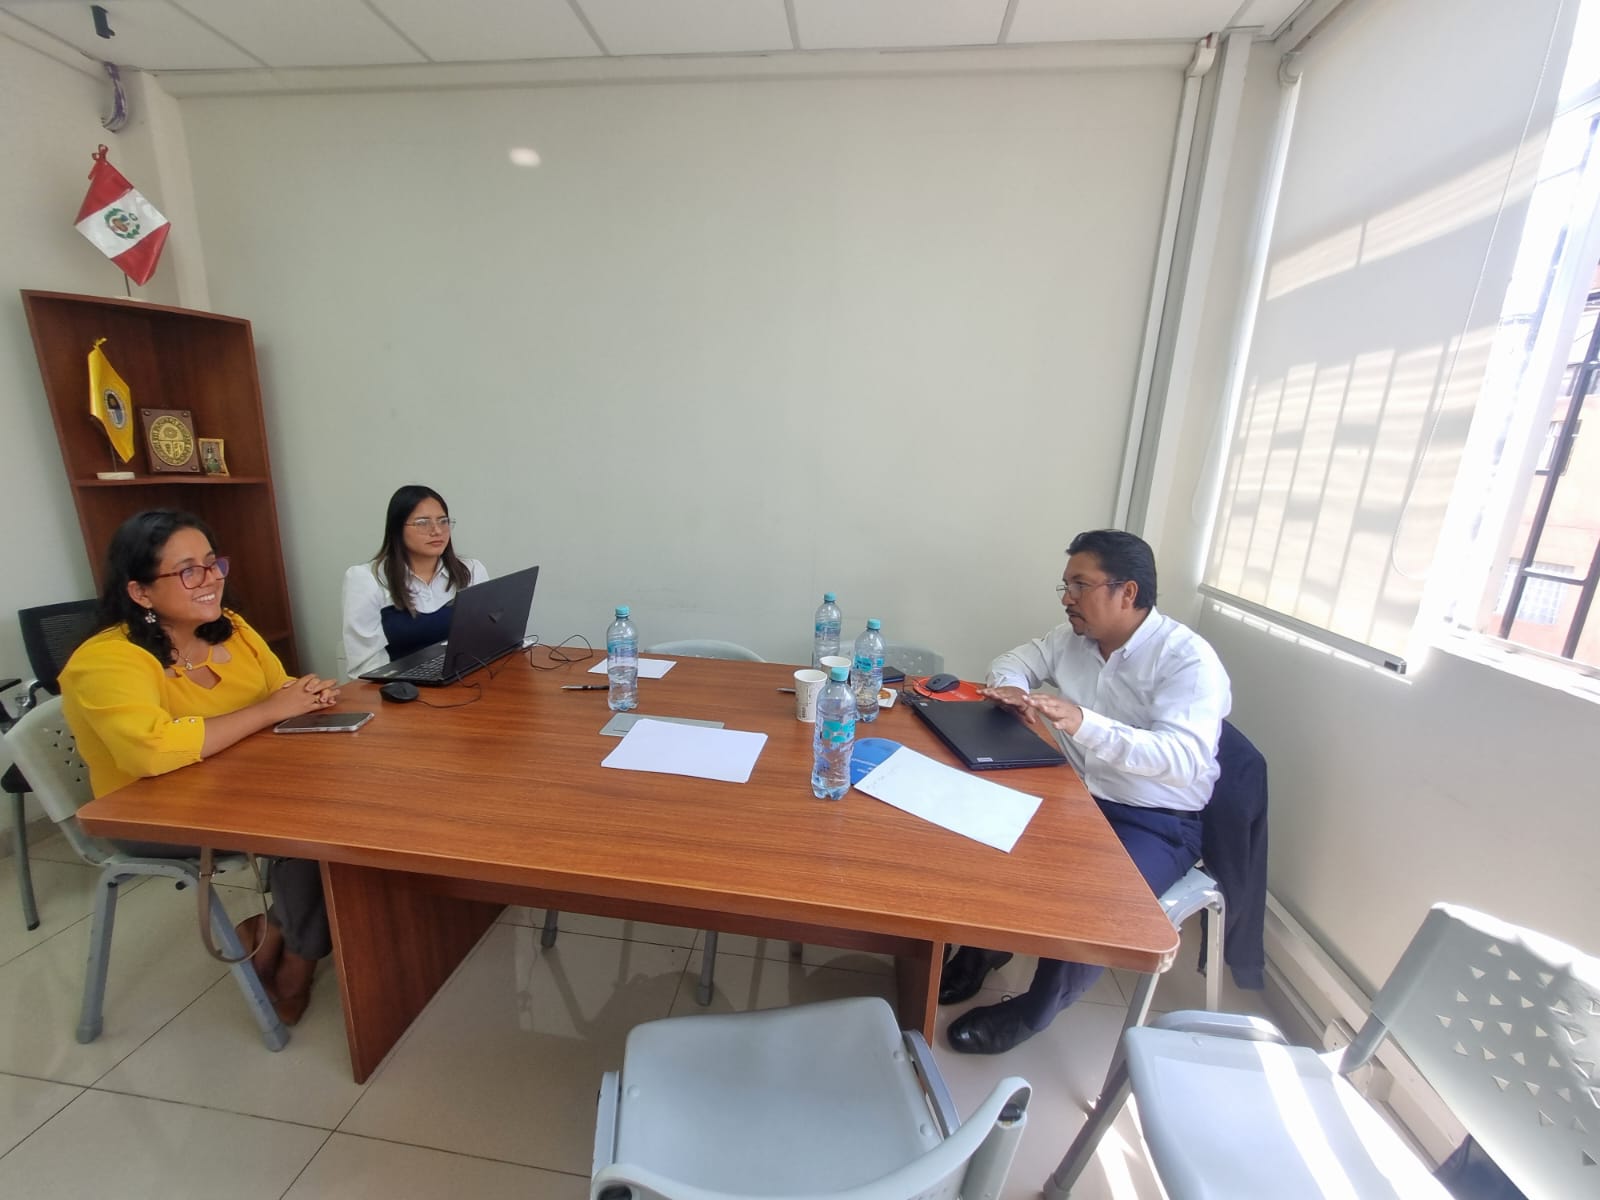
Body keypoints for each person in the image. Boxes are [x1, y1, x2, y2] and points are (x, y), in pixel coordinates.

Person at [941, 529, 1232, 1055]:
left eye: (1080, 585)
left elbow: (1183, 760)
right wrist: (1014, 692)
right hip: (1075, 794)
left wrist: (1082, 722)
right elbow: (1013, 663)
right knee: (989, 839)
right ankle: (985, 951)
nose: (1067, 598)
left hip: (1155, 819)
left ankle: (1034, 1010)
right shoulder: (1070, 638)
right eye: (1066, 585)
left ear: (1128, 592)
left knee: (1092, 900)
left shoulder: (1187, 660)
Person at [58, 509, 341, 1024]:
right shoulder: (107, 659)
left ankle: (277, 928)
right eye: (188, 570)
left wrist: (305, 694)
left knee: (341, 809)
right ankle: (298, 962)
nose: (211, 579)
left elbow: (277, 687)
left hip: (235, 787)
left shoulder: (230, 628)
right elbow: (149, 752)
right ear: (141, 592)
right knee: (309, 832)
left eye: (212, 564)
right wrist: (270, 710)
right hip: (147, 813)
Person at [342, 484, 488, 679]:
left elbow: (484, 638)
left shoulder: (471, 570)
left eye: (443, 521)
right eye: (422, 523)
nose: (437, 530)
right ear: (397, 528)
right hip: (399, 688)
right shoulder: (366, 579)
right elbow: (365, 668)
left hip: (462, 679)